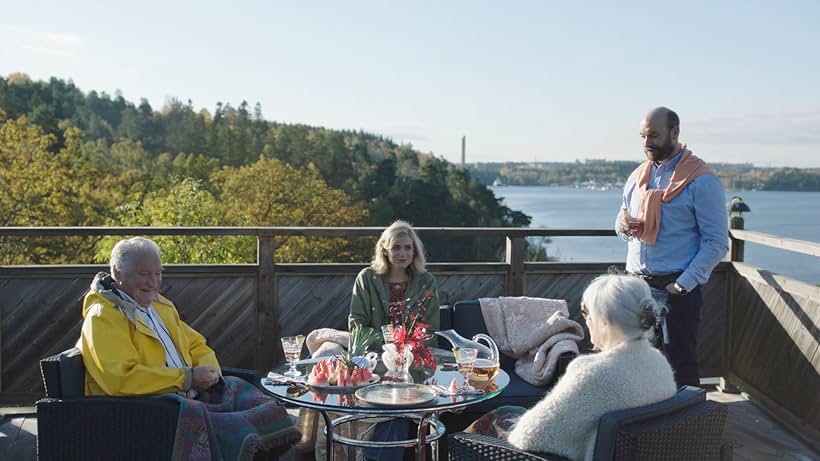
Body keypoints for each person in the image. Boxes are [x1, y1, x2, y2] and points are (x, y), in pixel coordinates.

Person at [77, 237, 298, 459]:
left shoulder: (159, 305)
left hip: (189, 394)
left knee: (261, 403)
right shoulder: (104, 316)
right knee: (239, 430)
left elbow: (195, 343)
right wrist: (187, 378)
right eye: (143, 274)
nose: (153, 283)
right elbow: (120, 379)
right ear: (117, 273)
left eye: (158, 273)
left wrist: (209, 371)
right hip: (148, 409)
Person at [464, 274, 677, 461]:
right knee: (510, 412)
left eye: (586, 312)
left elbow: (528, 436)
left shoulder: (593, 372)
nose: (586, 320)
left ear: (605, 320)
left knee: (491, 424)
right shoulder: (659, 363)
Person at [616, 106, 729, 387]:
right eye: (642, 136)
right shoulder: (637, 177)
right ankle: (643, 428)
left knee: (679, 366)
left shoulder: (702, 181)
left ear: (674, 132)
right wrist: (621, 223)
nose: (646, 143)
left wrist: (681, 285)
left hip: (676, 290)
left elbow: (716, 242)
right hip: (637, 288)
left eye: (653, 135)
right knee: (636, 364)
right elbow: (622, 216)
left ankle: (685, 430)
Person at [348, 219, 440, 347]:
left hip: (415, 354)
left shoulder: (426, 281)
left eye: (407, 247)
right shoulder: (366, 278)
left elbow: (431, 330)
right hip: (374, 354)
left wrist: (408, 347)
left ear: (414, 251)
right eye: (396, 247)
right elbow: (357, 326)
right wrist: (388, 342)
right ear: (385, 250)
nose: (402, 254)